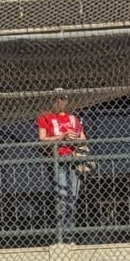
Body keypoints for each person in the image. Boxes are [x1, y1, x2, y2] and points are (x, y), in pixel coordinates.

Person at [37, 89, 87, 238]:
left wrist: (75, 140)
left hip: (73, 157)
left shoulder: (73, 118)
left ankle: (69, 234)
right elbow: (42, 139)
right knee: (62, 195)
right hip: (57, 158)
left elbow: (83, 138)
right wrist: (62, 137)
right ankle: (61, 235)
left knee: (73, 196)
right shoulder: (45, 117)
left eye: (65, 99)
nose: (62, 102)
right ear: (53, 100)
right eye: (59, 99)